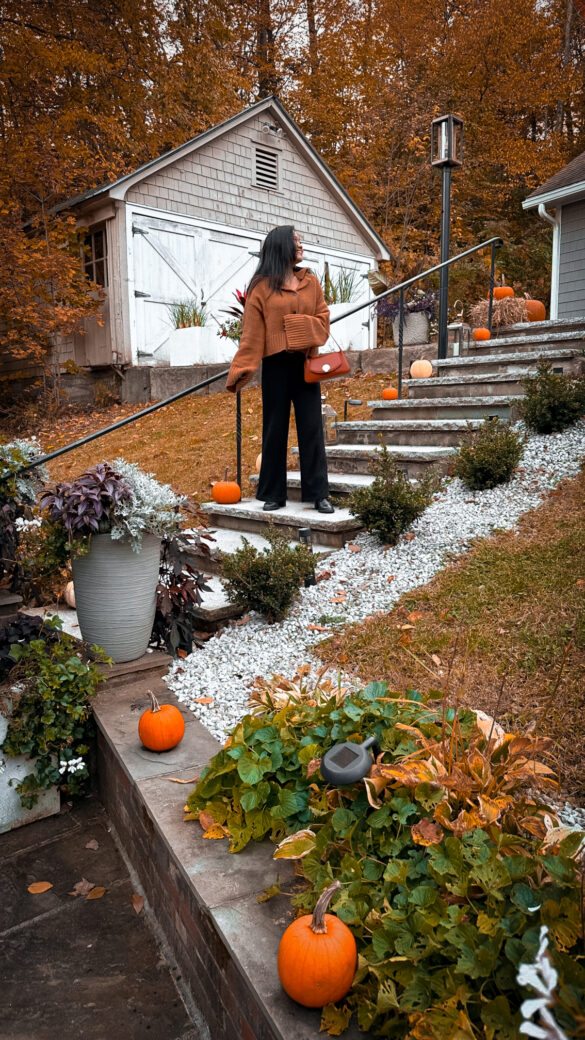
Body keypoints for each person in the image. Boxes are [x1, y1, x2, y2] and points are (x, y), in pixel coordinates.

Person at [226, 225, 334, 514]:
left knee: (312, 428)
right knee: (274, 430)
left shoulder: (310, 280)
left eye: (300, 241)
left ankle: (318, 494)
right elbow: (251, 335)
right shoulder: (261, 287)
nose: (300, 246)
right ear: (281, 246)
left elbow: (323, 320)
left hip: (306, 363)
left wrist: (298, 329)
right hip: (275, 366)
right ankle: (274, 494)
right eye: (295, 241)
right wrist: (241, 369)